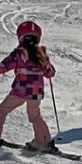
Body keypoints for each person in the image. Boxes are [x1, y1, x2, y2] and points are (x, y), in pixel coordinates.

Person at [0, 20, 57, 151]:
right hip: (36, 92)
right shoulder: (41, 53)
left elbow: (4, 66)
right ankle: (44, 142)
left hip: (21, 91)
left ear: (21, 37)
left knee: (2, 110)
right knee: (35, 116)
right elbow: (50, 72)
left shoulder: (19, 53)